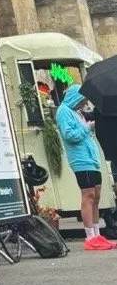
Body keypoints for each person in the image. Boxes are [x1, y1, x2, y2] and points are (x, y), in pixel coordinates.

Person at [56, 85, 116, 250]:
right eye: (82, 100)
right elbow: (69, 135)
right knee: (88, 195)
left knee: (96, 196)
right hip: (81, 159)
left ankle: (97, 234)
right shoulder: (63, 111)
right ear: (75, 97)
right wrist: (87, 127)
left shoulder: (77, 112)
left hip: (91, 158)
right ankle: (90, 237)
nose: (84, 104)